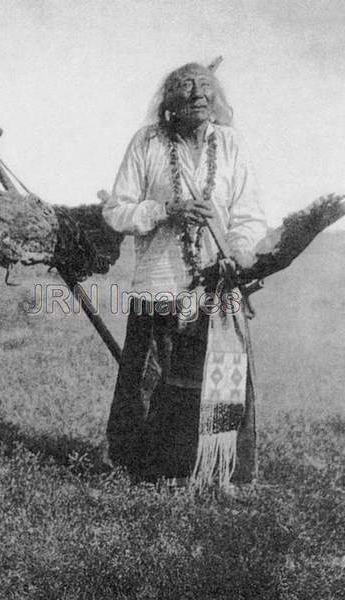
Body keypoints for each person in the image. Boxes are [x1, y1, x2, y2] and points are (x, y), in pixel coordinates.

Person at [102, 60, 267, 493]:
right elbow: (116, 210)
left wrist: (237, 251)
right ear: (168, 101)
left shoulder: (230, 144)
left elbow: (249, 215)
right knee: (157, 375)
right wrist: (164, 212)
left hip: (220, 285)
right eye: (186, 87)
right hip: (160, 282)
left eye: (205, 86)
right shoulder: (148, 142)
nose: (197, 94)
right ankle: (149, 472)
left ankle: (220, 470)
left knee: (220, 374)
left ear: (217, 99)